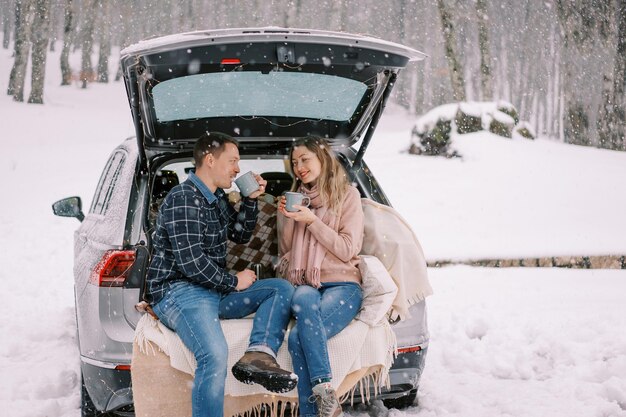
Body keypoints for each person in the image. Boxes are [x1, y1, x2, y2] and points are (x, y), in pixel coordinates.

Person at [146, 132, 297, 417]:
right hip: (179, 290)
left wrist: (250, 200)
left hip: (212, 290)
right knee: (214, 355)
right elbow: (191, 262)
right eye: (233, 161)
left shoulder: (215, 198)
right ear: (210, 159)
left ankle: (257, 356)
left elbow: (239, 234)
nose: (238, 169)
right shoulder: (183, 198)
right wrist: (233, 281)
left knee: (280, 289)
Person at [277, 136, 364, 417]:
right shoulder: (298, 200)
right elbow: (287, 256)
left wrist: (313, 222)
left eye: (305, 159)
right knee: (301, 298)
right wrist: (288, 221)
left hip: (342, 283)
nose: (299, 167)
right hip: (306, 283)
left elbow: (347, 248)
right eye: (294, 163)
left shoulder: (347, 195)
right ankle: (327, 395)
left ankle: (314, 406)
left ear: (322, 159)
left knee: (295, 340)